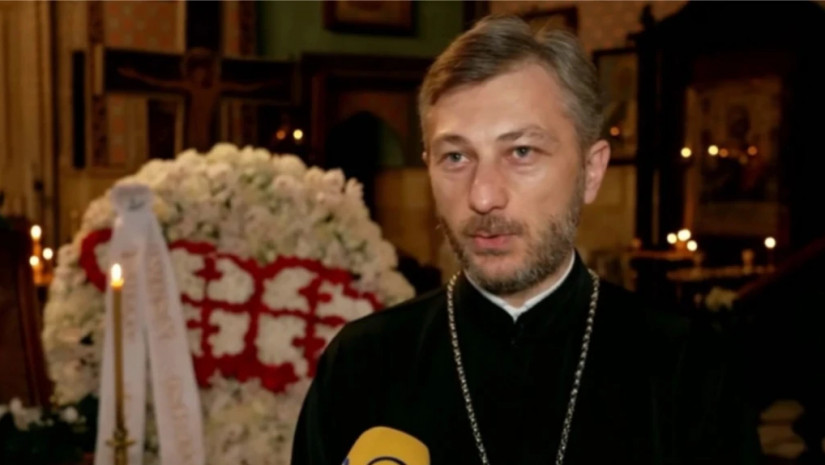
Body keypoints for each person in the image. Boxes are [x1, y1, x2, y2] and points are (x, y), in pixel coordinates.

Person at [291, 15, 760, 465]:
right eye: (456, 157)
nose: (483, 197)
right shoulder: (362, 364)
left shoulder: (688, 368)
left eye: (521, 151)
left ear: (591, 171)